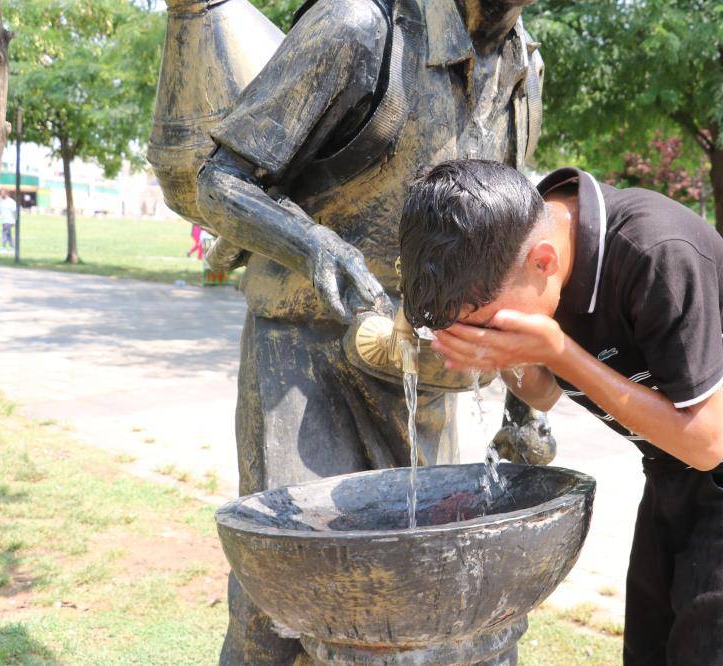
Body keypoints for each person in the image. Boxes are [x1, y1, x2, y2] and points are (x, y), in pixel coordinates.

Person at [193, 1, 545, 662]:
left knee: (421, 594)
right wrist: (311, 244)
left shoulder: (523, 67)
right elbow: (219, 183)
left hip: (420, 369)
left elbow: (505, 233)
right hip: (305, 351)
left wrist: (522, 405)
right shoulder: (357, 27)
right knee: (288, 591)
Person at [399, 160, 723, 665]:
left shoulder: (656, 253)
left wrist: (560, 352)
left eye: (489, 324)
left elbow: (706, 442)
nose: (489, 333)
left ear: (544, 261)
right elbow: (543, 394)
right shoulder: (509, 246)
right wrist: (499, 357)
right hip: (667, 463)